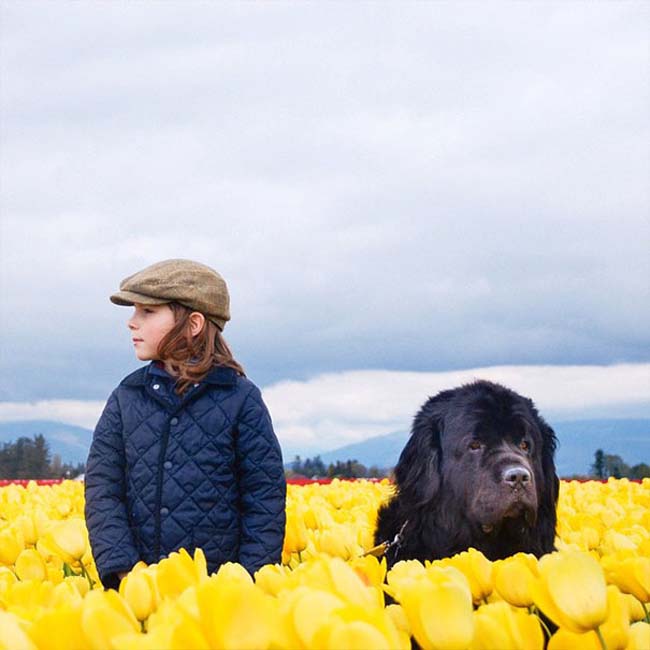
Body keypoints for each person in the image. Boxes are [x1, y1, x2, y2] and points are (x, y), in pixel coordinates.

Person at [85, 259, 286, 589]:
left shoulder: (241, 399)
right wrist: (125, 573)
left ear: (193, 323)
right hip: (140, 586)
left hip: (218, 596)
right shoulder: (126, 397)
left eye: (147, 312)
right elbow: (102, 490)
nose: (131, 323)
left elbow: (264, 499)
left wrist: (249, 581)